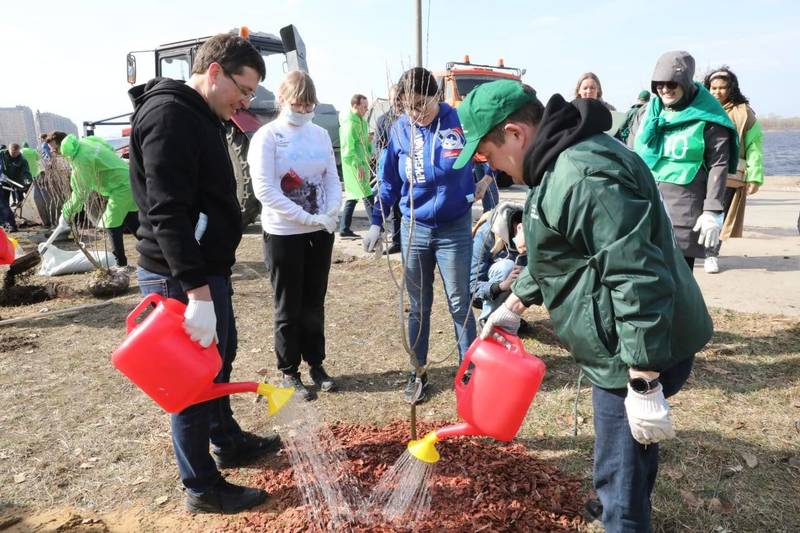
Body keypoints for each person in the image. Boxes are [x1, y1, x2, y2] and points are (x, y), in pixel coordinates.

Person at [454, 79, 713, 532]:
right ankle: (623, 503)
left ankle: (622, 517)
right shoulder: (557, 163)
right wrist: (514, 303)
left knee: (618, 480)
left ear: (514, 133)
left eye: (484, 154)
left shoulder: (582, 174)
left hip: (631, 350)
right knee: (626, 460)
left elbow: (637, 276)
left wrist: (644, 379)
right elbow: (562, 251)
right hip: (621, 343)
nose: (487, 167)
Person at [128, 33, 280, 514]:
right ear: (215, 72)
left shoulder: (203, 115)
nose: (245, 100)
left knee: (218, 365)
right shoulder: (170, 117)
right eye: (244, 88)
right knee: (191, 385)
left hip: (204, 271)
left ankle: (226, 439)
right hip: (179, 279)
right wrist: (195, 294)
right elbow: (167, 213)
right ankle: (202, 487)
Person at [363, 67, 477, 404]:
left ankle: (469, 370)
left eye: (421, 104)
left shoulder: (458, 122)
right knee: (418, 305)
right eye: (408, 106)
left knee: (460, 302)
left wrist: (485, 190)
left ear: (436, 96)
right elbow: (388, 181)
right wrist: (376, 221)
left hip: (454, 227)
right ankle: (418, 371)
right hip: (415, 227)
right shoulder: (400, 131)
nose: (416, 113)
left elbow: (483, 160)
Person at [248, 70, 342, 402]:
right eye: (296, 104)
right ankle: (289, 371)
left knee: (314, 302)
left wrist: (331, 212)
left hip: (319, 231)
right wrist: (304, 216)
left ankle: (316, 363)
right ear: (283, 101)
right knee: (289, 304)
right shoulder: (268, 136)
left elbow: (331, 177)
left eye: (307, 105)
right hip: (285, 232)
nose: (302, 110)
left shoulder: (318, 134)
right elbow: (265, 189)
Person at [628, 51, 738, 271]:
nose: (665, 89)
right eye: (659, 84)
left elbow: (719, 163)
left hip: (684, 204)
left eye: (672, 83)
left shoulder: (708, 117)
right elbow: (631, 152)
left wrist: (713, 209)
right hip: (646, 201)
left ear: (685, 82)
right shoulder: (647, 113)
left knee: (678, 275)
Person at [701, 66, 764, 273]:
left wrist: (754, 176)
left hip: (728, 175)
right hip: (698, 171)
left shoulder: (744, 113)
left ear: (731, 88)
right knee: (692, 214)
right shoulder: (700, 108)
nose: (717, 92)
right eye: (713, 88)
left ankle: (711, 255)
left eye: (722, 88)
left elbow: (754, 146)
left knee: (718, 214)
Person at [44, 134, 139, 267]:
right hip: (128, 179)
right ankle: (159, 253)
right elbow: (108, 148)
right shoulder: (86, 142)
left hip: (121, 187)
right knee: (133, 221)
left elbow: (81, 191)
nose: (54, 153)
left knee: (110, 223)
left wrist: (66, 213)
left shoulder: (80, 158)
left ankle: (121, 266)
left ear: (62, 146)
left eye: (54, 149)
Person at [469, 201, 525, 325]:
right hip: (484, 293)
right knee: (507, 267)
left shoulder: (530, 230)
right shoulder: (486, 235)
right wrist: (501, 286)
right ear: (519, 227)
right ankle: (490, 320)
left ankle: (508, 316)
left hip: (508, 292)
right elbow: (472, 286)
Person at [338, 93, 374, 239]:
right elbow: (348, 148)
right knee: (367, 194)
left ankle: (344, 228)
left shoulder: (361, 121)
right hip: (355, 164)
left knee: (353, 196)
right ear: (355, 106)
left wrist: (369, 143)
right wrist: (357, 164)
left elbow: (362, 142)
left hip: (361, 162)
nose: (366, 109)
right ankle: (376, 225)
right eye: (364, 106)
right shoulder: (350, 123)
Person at [375, 84, 403, 255]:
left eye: (400, 99)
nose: (397, 103)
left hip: (409, 171)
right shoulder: (383, 120)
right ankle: (397, 241)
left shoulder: (412, 119)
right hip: (392, 170)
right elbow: (379, 145)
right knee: (395, 208)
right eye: (394, 99)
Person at [0, 143, 32, 212]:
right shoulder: (1, 154)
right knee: (4, 199)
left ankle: (23, 212)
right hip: (4, 180)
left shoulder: (22, 160)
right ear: (8, 150)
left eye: (16, 153)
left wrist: (27, 180)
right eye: (13, 153)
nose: (14, 155)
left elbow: (25, 172)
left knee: (20, 198)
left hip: (16, 180)